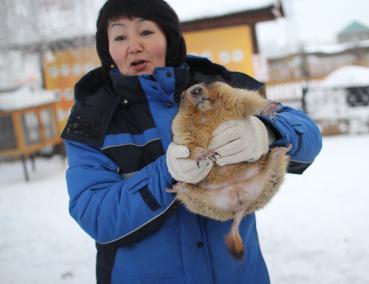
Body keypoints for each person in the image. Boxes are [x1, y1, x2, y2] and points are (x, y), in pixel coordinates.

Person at [61, 0, 322, 283]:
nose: (134, 46)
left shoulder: (215, 84)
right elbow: (96, 215)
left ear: (169, 38)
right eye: (120, 36)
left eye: (146, 32)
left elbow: (308, 134)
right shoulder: (91, 118)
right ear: (108, 50)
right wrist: (167, 172)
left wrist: (267, 132)